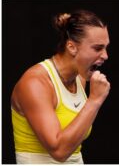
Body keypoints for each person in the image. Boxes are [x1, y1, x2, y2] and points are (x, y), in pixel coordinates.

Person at [11, 10, 110, 164]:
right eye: (98, 48)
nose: (105, 56)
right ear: (71, 47)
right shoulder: (35, 83)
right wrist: (94, 100)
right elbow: (59, 151)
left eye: (105, 48)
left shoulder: (80, 79)